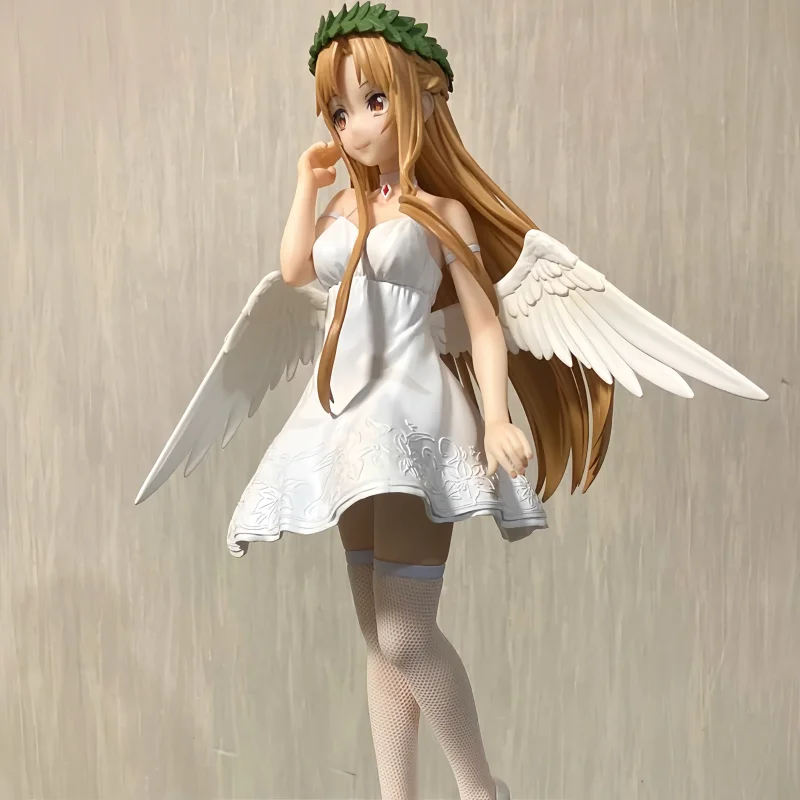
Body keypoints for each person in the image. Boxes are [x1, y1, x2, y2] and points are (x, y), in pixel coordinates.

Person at [135, 5, 768, 798]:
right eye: (340, 110)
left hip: (413, 418)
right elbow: (294, 271)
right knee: (378, 637)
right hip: (341, 422)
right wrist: (305, 182)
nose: (356, 125)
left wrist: (496, 417)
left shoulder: (443, 215)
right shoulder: (340, 210)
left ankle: (479, 788)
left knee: (406, 633)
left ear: (423, 99)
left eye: (374, 101)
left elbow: (486, 324)